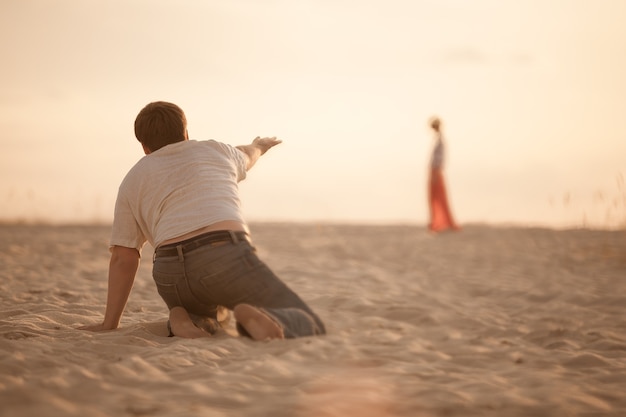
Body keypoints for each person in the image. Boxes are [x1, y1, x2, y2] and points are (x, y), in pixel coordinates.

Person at [80, 101, 325, 340]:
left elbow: (124, 257)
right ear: (185, 133)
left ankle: (187, 319)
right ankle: (267, 318)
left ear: (144, 146)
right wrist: (259, 144)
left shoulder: (132, 180)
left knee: (211, 314)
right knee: (308, 321)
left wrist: (109, 323)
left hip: (170, 273)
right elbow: (248, 155)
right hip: (225, 255)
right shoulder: (216, 150)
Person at [427, 116, 460, 233]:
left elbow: (440, 158)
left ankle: (441, 222)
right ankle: (437, 221)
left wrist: (436, 172)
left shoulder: (440, 140)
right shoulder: (438, 139)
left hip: (436, 170)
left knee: (438, 196)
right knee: (434, 197)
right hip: (434, 170)